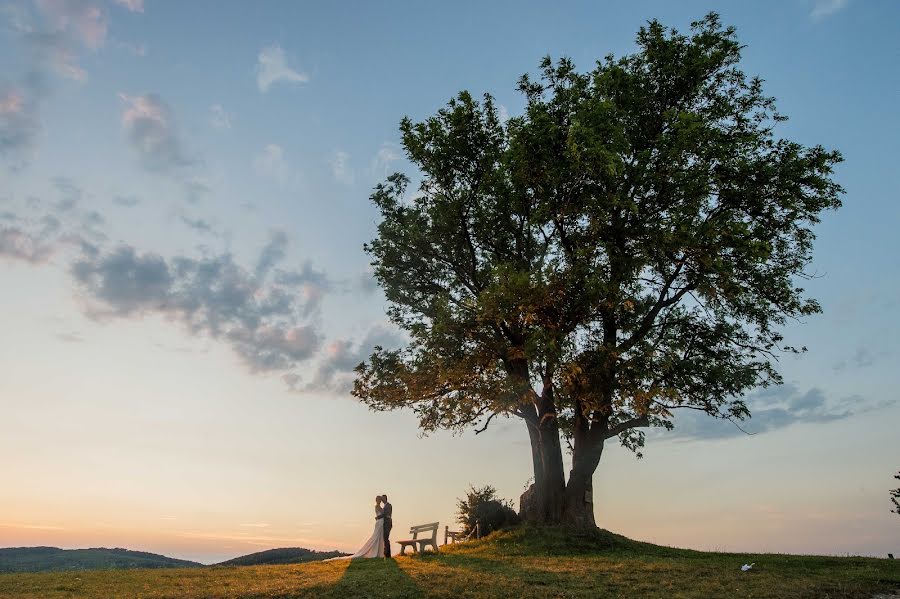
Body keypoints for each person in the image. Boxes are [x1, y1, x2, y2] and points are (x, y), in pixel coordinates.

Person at [326, 495, 385, 560]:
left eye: (380, 500)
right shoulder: (377, 506)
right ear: (377, 500)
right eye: (379, 499)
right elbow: (383, 513)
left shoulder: (378, 506)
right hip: (379, 522)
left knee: (379, 536)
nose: (380, 501)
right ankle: (374, 552)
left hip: (380, 522)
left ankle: (379, 552)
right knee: (376, 536)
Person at [375, 494, 392, 558]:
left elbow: (385, 514)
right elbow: (384, 514)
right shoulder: (383, 506)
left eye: (383, 499)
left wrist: (378, 517)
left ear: (385, 499)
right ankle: (386, 554)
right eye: (381, 499)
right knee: (385, 539)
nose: (382, 500)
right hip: (383, 524)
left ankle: (387, 554)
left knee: (386, 539)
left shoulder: (388, 505)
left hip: (387, 524)